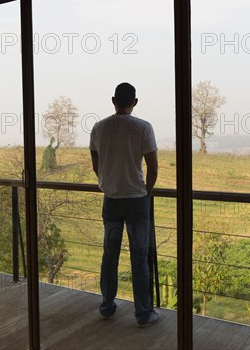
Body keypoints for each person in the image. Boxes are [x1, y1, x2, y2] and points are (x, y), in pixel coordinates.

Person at [89, 82, 161, 327]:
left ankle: (107, 307)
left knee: (110, 255)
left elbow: (95, 160)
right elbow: (153, 166)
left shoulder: (99, 128)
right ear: (135, 102)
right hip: (137, 201)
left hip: (111, 200)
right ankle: (143, 313)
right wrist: (145, 192)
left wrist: (106, 181)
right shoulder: (143, 128)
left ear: (113, 100)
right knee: (139, 257)